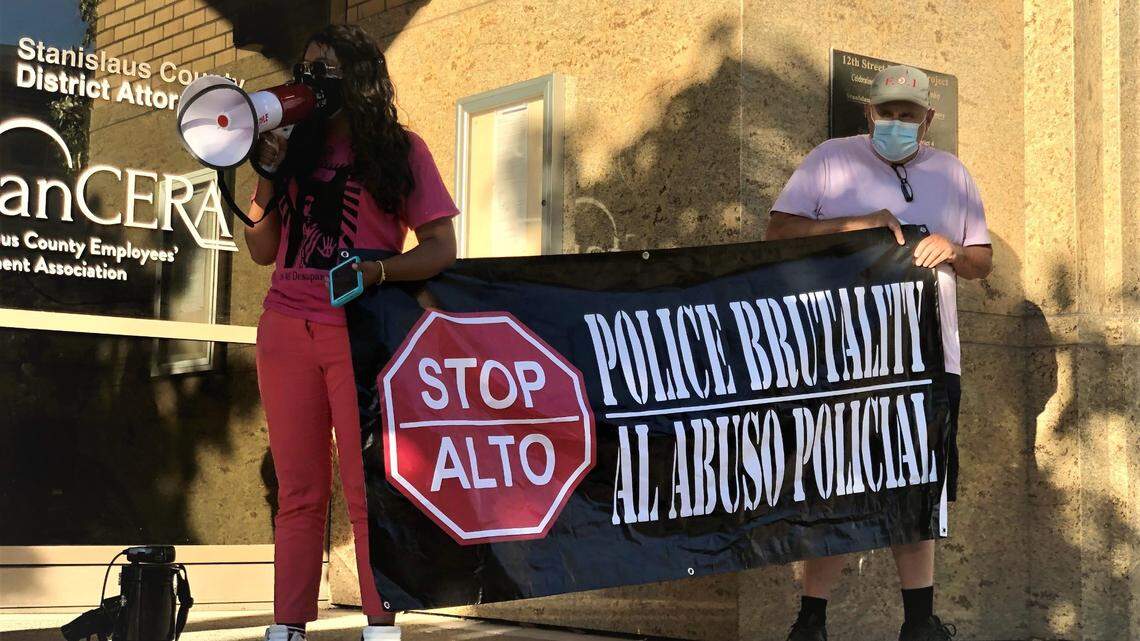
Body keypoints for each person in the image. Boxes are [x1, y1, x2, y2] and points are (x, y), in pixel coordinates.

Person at [244, 24, 459, 641]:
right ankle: (288, 623)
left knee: (366, 484)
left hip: (359, 330)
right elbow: (260, 249)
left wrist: (379, 270)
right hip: (286, 327)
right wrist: (267, 171)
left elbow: (442, 247)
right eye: (306, 69)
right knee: (299, 488)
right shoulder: (294, 150)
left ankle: (378, 620)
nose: (314, 82)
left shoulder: (400, 150)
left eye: (327, 70)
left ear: (359, 79)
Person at [764, 64, 993, 641]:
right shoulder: (830, 159)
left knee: (918, 483)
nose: (896, 122)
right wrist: (856, 223)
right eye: (886, 112)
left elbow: (982, 262)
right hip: (840, 358)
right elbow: (778, 235)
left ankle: (920, 622)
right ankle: (810, 622)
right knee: (839, 485)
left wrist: (954, 251)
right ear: (870, 113)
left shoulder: (952, 173)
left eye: (908, 115)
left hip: (928, 359)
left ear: (928, 120)